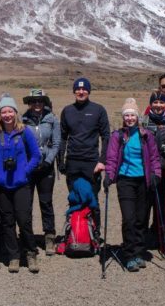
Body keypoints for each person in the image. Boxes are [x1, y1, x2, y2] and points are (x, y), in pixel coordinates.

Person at [0, 96, 41, 273]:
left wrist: (25, 170)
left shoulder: (25, 132)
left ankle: (31, 253)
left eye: (10, 111)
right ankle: (14, 256)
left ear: (15, 113)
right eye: (4, 112)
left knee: (24, 220)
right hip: (2, 185)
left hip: (21, 183)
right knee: (7, 221)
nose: (7, 115)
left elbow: (36, 155)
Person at [104, 98, 161, 271]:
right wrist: (109, 175)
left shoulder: (147, 135)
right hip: (125, 180)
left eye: (132, 115)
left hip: (143, 181)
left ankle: (138, 252)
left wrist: (156, 174)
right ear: (123, 117)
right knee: (129, 219)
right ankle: (129, 255)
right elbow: (112, 158)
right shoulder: (118, 135)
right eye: (126, 115)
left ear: (137, 116)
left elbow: (154, 157)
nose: (129, 118)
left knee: (141, 219)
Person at [59, 77, 110, 232]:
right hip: (73, 161)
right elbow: (62, 137)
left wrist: (102, 161)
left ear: (89, 91)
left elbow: (106, 136)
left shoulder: (98, 110)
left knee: (92, 197)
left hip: (92, 162)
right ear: (74, 91)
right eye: (78, 89)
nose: (81, 92)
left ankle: (94, 234)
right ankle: (76, 232)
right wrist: (61, 160)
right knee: (74, 196)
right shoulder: (67, 111)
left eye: (84, 89)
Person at [141, 91, 165, 256]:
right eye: (155, 102)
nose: (158, 105)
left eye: (161, 103)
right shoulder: (143, 122)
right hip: (145, 171)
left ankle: (164, 243)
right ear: (151, 104)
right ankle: (141, 243)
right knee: (144, 207)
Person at [22, 88, 61, 256]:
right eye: (33, 101)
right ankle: (27, 237)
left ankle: (49, 236)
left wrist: (48, 161)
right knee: (27, 203)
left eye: (40, 101)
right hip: (29, 168)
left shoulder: (52, 120)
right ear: (29, 103)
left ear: (44, 102)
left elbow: (56, 143)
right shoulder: (22, 121)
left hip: (46, 167)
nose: (37, 104)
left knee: (46, 202)